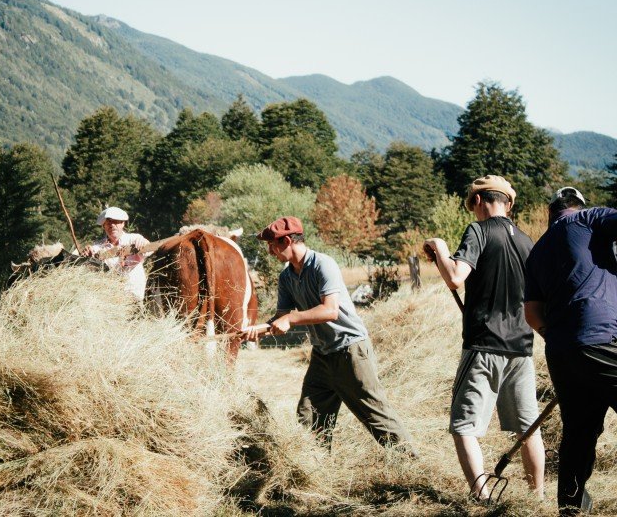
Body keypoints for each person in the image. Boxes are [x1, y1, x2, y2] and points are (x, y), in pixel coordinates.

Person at [243, 216, 413, 452]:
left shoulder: (323, 264)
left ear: (287, 241)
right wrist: (257, 330)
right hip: (322, 355)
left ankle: (410, 462)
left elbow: (329, 311)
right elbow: (280, 316)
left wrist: (291, 319)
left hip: (351, 350)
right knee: (309, 417)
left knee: (376, 416)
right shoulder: (286, 277)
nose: (270, 251)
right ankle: (317, 470)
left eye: (272, 245)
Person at [423, 175, 545, 499]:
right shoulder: (528, 241)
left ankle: (483, 498)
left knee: (463, 426)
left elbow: (455, 278)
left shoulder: (478, 231)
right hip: (521, 347)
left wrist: (439, 248)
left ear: (478, 201)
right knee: (528, 428)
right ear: (509, 203)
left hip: (484, 346)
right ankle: (538, 499)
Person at [524, 187, 617, 515]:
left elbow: (532, 313)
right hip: (602, 337)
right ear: (577, 208)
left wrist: (564, 337)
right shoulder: (588, 219)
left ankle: (570, 506)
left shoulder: (537, 252)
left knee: (578, 430)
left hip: (561, 352)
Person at [83, 207, 149, 302]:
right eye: (108, 223)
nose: (112, 225)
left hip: (136, 297)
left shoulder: (134, 238)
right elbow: (83, 255)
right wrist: (86, 252)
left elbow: (149, 250)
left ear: (122, 224)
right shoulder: (98, 247)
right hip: (111, 300)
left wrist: (144, 243)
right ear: (104, 226)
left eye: (116, 222)